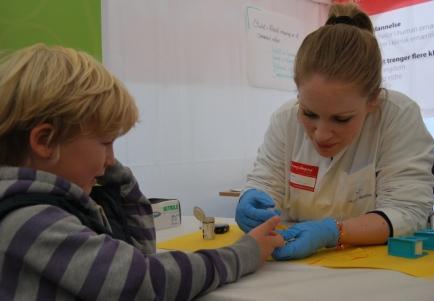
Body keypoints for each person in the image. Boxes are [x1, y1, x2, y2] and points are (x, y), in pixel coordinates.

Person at [0, 44, 284, 300]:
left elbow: (137, 252)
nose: (111, 160)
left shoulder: (53, 207)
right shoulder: (31, 221)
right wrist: (243, 253)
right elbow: (144, 281)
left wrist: (114, 178)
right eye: (105, 143)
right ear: (45, 141)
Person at [235, 2, 434, 260]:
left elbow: (407, 210)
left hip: (377, 269)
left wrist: (334, 232)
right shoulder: (285, 118)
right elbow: (265, 181)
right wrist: (251, 196)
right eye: (309, 113)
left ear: (373, 99)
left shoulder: (398, 116)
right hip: (293, 268)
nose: (320, 134)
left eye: (341, 119)